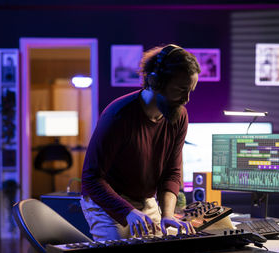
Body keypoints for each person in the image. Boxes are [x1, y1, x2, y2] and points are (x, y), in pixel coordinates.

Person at [81, 44, 201, 241]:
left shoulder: (179, 117)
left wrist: (168, 215)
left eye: (190, 91)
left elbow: (172, 171)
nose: (187, 99)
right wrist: (127, 211)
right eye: (181, 90)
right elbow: (91, 179)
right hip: (107, 200)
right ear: (155, 81)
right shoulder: (118, 116)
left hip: (144, 199)